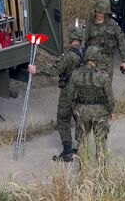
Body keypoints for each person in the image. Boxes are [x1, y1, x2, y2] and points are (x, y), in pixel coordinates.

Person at [28, 26, 84, 162]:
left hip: (68, 92)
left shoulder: (68, 55)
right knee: (80, 120)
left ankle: (67, 151)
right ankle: (82, 148)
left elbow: (55, 70)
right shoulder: (86, 53)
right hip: (82, 91)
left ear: (70, 38)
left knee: (63, 119)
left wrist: (37, 70)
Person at [66, 46, 114, 165]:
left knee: (82, 140)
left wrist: (75, 109)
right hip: (100, 112)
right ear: (97, 59)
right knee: (100, 140)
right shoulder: (102, 75)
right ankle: (102, 169)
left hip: (82, 112)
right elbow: (109, 96)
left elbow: (69, 95)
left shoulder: (76, 74)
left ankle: (83, 168)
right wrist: (111, 110)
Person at [83, 0, 125, 81]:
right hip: (92, 61)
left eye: (101, 12)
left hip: (107, 62)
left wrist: (124, 61)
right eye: (97, 11)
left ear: (105, 13)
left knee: (106, 85)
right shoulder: (90, 24)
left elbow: (121, 41)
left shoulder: (112, 25)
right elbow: (83, 41)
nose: (98, 14)